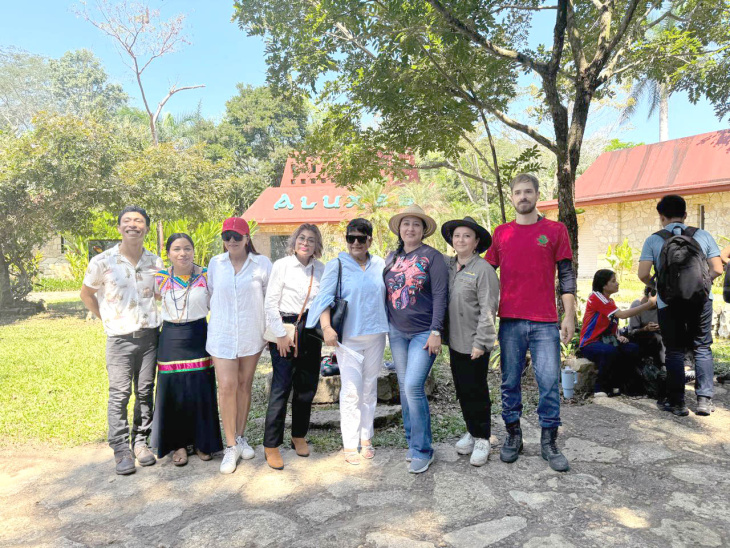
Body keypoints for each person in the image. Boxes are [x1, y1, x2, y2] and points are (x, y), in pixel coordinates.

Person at [485, 174, 575, 473]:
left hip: (545, 322)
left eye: (528, 192)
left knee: (548, 383)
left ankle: (549, 442)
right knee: (509, 381)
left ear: (537, 195)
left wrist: (569, 314)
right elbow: (486, 273)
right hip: (510, 321)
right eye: (517, 192)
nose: (522, 196)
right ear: (511, 197)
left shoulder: (555, 230)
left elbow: (566, 276)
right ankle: (514, 436)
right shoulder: (501, 233)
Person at [80, 206, 163, 475]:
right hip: (118, 339)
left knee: (145, 391)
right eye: (127, 221)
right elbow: (86, 294)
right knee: (119, 394)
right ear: (119, 228)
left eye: (138, 221)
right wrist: (105, 317)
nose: (133, 225)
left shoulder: (155, 262)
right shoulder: (102, 261)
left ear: (146, 228)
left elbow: (160, 294)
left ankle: (140, 442)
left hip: (150, 337)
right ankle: (120, 449)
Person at [306, 218, 389, 465]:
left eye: (361, 238)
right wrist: (326, 327)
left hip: (376, 337)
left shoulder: (380, 264)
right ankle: (350, 443)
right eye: (351, 238)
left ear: (369, 240)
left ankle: (366, 438)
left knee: (369, 389)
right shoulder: (337, 265)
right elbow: (324, 298)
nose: (355, 243)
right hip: (348, 340)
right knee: (352, 391)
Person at [638, 195, 723, 417]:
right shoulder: (702, 235)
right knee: (702, 347)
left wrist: (659, 287)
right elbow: (717, 268)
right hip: (701, 301)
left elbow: (643, 274)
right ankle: (704, 401)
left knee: (674, 350)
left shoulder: (653, 240)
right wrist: (702, 284)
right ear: (685, 215)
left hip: (668, 302)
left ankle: (677, 403)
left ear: (661, 217)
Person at [384, 205, 448, 474]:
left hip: (424, 333)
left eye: (416, 224)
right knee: (404, 387)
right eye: (406, 224)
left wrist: (436, 331)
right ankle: (412, 443)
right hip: (397, 332)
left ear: (423, 230)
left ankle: (423, 449)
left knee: (413, 386)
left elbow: (441, 295)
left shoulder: (433, 257)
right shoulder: (392, 257)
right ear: (399, 229)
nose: (410, 228)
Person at [151, 233, 223, 466]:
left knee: (200, 389)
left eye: (187, 248)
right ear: (168, 253)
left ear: (193, 251)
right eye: (176, 249)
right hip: (171, 338)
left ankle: (203, 442)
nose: (182, 253)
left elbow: (216, 304)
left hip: (199, 335)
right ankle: (178, 444)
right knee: (174, 392)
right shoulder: (160, 278)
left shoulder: (206, 275)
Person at [207, 217, 272, 474]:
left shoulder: (262, 264)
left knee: (245, 384)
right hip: (222, 334)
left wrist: (271, 332)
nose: (231, 241)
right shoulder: (216, 264)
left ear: (247, 238)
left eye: (237, 236)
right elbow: (211, 294)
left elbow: (269, 299)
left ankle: (241, 436)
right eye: (227, 237)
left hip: (250, 334)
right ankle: (230, 445)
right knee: (227, 386)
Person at [262, 224, 325, 470]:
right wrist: (280, 335)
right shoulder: (282, 265)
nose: (305, 243)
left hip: (311, 330)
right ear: (294, 241)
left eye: (311, 240)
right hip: (285, 329)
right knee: (281, 387)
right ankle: (271, 445)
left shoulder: (321, 269)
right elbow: (270, 303)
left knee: (306, 387)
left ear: (317, 245)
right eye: (302, 238)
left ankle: (298, 435)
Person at [441, 216, 499, 467]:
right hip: (455, 341)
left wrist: (481, 342)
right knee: (463, 390)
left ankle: (483, 438)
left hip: (474, 343)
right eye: (457, 236)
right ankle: (472, 430)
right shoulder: (449, 266)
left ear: (476, 242)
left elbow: (489, 308)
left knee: (476, 391)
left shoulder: (483, 270)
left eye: (467, 236)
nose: (461, 240)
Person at [579, 270, 657, 397]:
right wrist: (649, 304)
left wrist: (618, 337)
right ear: (604, 285)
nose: (617, 283)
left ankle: (623, 385)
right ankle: (600, 388)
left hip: (607, 341)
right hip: (590, 343)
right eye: (613, 281)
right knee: (609, 351)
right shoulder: (596, 297)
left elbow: (612, 323)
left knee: (632, 349)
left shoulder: (610, 301)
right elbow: (622, 315)